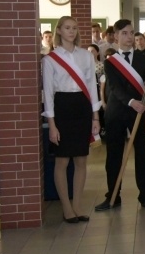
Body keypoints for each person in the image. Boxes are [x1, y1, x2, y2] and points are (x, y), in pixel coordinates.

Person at [42, 17, 101, 223]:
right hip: (62, 107)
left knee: (81, 160)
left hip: (82, 106)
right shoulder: (50, 59)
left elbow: (92, 87)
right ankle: (66, 208)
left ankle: (77, 206)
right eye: (67, 28)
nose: (71, 31)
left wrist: (95, 116)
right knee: (62, 160)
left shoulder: (86, 56)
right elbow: (48, 94)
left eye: (75, 28)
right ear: (58, 30)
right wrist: (52, 125)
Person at [95, 19, 145, 212]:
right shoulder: (111, 61)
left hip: (138, 113)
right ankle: (112, 196)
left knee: (142, 153)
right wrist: (133, 102)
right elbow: (114, 88)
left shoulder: (143, 59)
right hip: (116, 113)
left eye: (131, 33)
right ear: (115, 36)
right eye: (124, 33)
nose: (129, 37)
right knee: (114, 155)